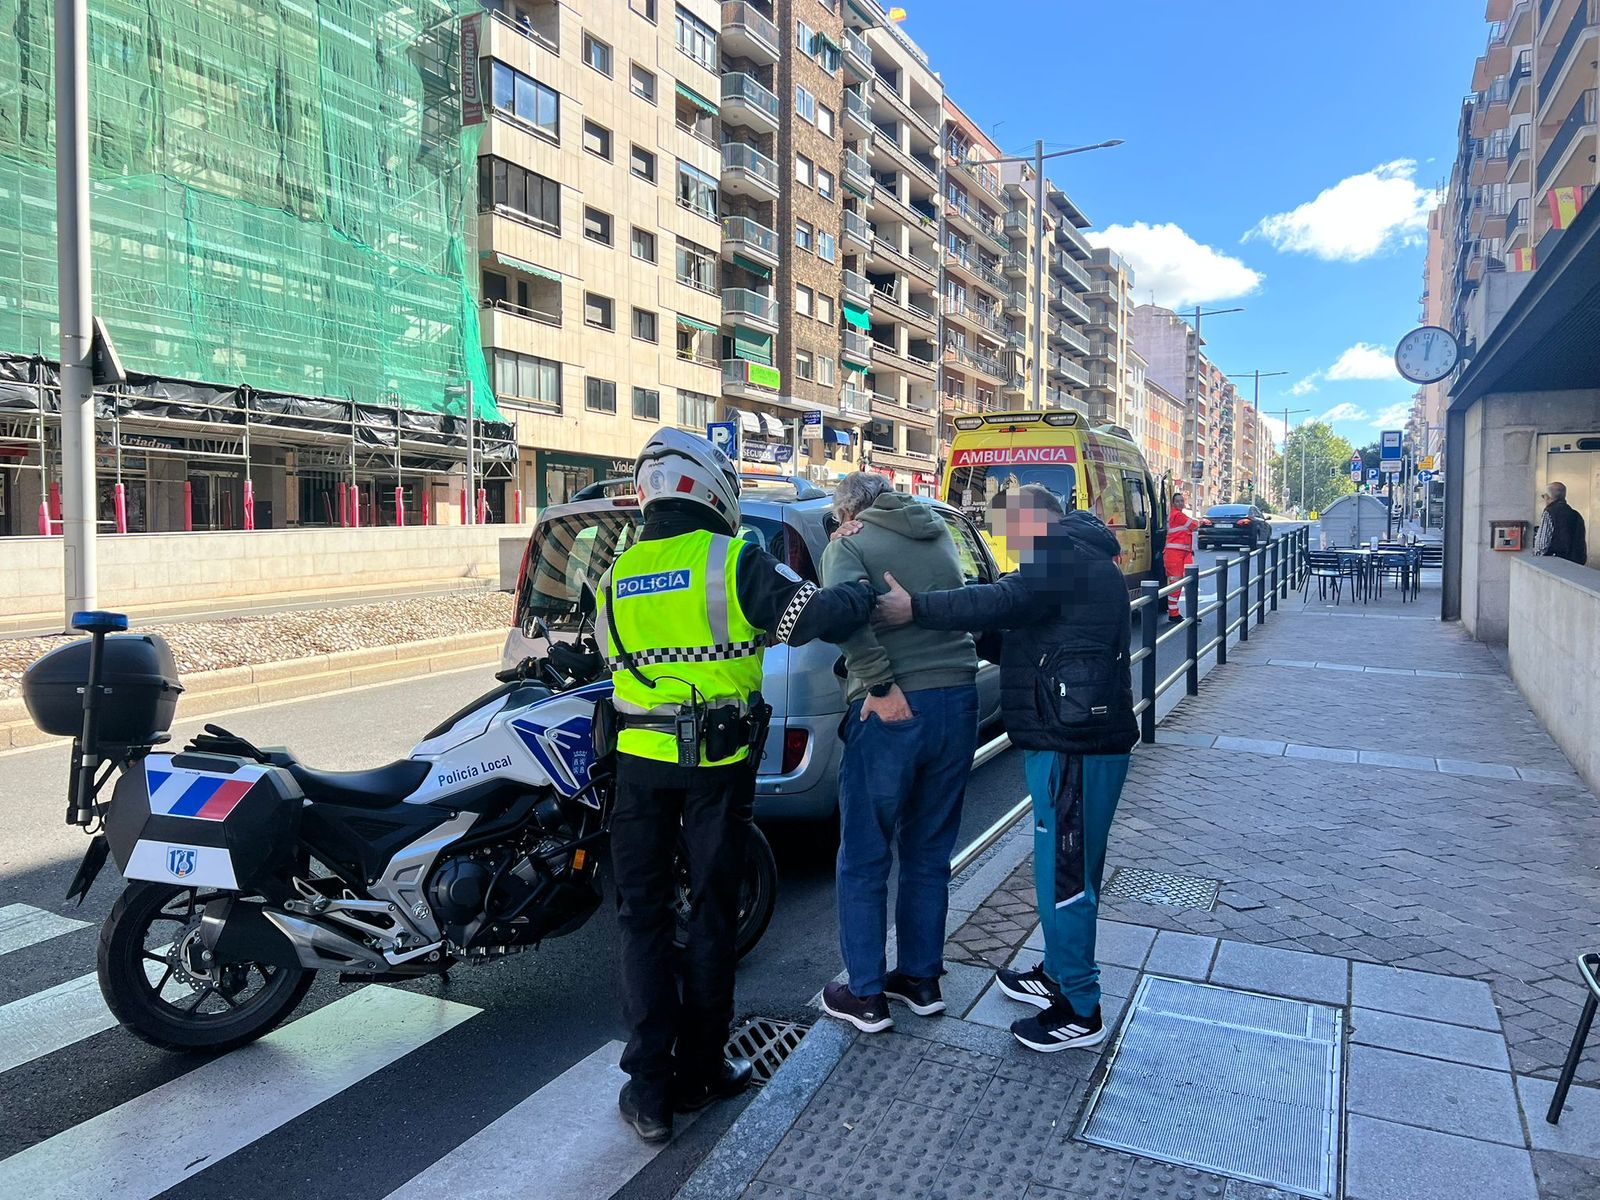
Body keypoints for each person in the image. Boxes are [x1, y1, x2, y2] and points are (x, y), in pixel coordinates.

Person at [599, 428, 877, 1143]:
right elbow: (810, 615)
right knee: (712, 915)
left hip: (638, 769)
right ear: (712, 488)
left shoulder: (617, 571)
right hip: (718, 771)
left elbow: (607, 657)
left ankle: (650, 1094)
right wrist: (861, 590)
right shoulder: (732, 559)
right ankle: (701, 1070)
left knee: (643, 920)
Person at [875, 485, 1137, 1053]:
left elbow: (999, 600)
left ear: (1035, 521)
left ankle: (1080, 1008)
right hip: (1074, 736)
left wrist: (915, 608)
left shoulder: (1060, 554)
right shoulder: (1075, 556)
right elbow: (1020, 633)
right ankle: (1057, 975)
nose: (1007, 542)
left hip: (1076, 744)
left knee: (1064, 878)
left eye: (1010, 529)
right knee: (1067, 869)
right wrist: (965, 626)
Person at [817, 474, 980, 1034]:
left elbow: (846, 622)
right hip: (958, 698)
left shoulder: (850, 543)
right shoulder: (937, 532)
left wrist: (881, 688)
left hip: (893, 708)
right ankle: (920, 979)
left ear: (848, 512)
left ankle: (864, 993)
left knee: (864, 853)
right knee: (929, 850)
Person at [1164, 492, 1201, 621]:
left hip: (1183, 553)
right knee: (1176, 584)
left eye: (1182, 501)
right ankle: (1173, 614)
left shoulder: (1179, 515)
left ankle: (1188, 613)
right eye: (1177, 501)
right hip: (1174, 555)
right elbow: (1194, 525)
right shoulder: (1176, 515)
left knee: (1189, 581)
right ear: (1173, 504)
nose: (1180, 503)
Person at [1534, 481, 1588, 565]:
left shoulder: (1549, 512)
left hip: (1554, 563)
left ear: (1548, 497)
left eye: (1543, 496)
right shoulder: (1576, 515)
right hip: (1575, 564)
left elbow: (1542, 545)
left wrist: (1537, 560)